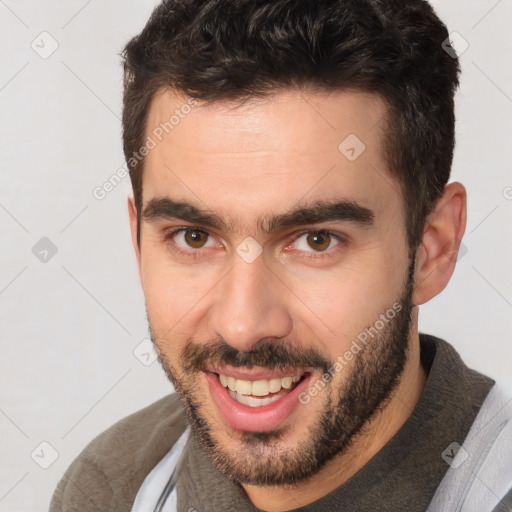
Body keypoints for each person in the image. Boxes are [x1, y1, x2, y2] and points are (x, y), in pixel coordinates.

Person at [50, 0, 512, 510]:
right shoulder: (116, 485)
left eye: (316, 240)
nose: (243, 326)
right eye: (194, 237)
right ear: (139, 241)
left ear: (432, 247)